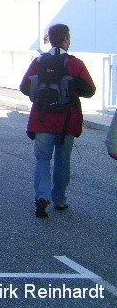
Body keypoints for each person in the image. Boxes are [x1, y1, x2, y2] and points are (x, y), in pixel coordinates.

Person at [19, 23, 95, 218]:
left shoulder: (39, 61)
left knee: (43, 159)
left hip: (42, 119)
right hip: (66, 122)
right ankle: (60, 199)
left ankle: (42, 198)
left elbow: (24, 87)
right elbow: (90, 91)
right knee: (63, 161)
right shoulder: (75, 63)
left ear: (49, 39)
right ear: (66, 39)